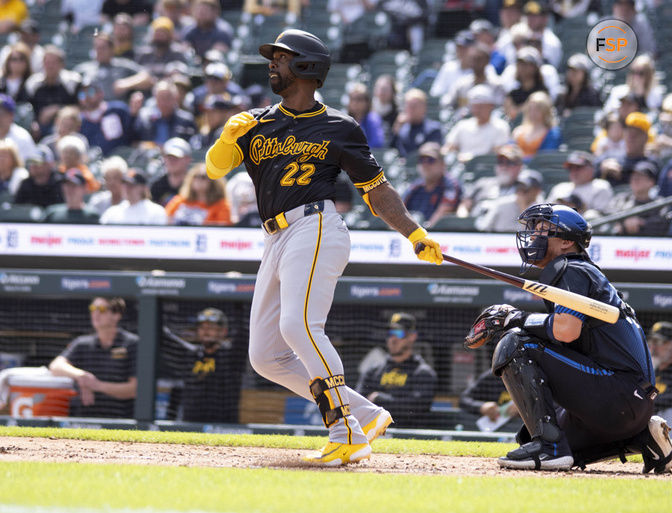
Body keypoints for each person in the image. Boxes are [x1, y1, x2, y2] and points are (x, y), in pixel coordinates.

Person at [205, 28, 444, 465]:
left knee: (299, 326)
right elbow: (214, 170)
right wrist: (225, 138)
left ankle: (345, 430)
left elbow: (377, 189)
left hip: (314, 226)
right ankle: (365, 414)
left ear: (306, 67)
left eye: (281, 57)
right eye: (273, 57)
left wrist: (414, 232)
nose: (272, 63)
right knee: (265, 355)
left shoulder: (339, 126)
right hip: (275, 237)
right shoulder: (256, 122)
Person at [463, 203, 672, 472]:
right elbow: (566, 339)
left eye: (543, 230)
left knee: (515, 342)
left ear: (565, 241)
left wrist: (515, 318)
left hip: (617, 392)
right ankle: (643, 439)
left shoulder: (570, 268)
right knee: (529, 438)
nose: (534, 236)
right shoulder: (581, 271)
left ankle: (549, 449)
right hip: (628, 405)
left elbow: (566, 330)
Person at [49, 297, 137, 418]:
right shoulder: (83, 343)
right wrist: (81, 376)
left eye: (101, 309)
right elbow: (55, 366)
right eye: (93, 308)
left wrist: (97, 385)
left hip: (122, 420)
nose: (95, 313)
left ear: (116, 315)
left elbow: (135, 389)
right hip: (84, 419)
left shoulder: (132, 343)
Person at [159, 307, 248, 422]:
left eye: (211, 327)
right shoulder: (190, 354)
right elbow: (164, 337)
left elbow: (243, 331)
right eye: (202, 327)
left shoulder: (233, 355)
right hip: (190, 424)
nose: (206, 331)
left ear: (223, 331)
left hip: (224, 426)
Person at [355, 313, 436, 427]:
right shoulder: (373, 371)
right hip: (374, 435)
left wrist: (379, 399)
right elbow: (358, 404)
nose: (393, 339)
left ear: (412, 336)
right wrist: (399, 403)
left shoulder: (423, 373)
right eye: (390, 333)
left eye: (399, 333)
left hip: (408, 436)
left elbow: (416, 409)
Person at [402, 142, 461, 229]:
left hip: (439, 234)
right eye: (421, 160)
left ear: (442, 164)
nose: (425, 165)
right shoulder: (415, 187)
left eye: (430, 160)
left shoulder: (450, 184)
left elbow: (443, 212)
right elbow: (400, 211)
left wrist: (423, 233)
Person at [443, 84, 510, 160]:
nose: (477, 110)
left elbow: (497, 153)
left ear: (491, 106)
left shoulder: (501, 126)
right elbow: (449, 147)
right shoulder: (462, 125)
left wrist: (472, 158)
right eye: (474, 106)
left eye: (481, 107)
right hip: (461, 168)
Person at [457, 143, 523, 218]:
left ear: (519, 167)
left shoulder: (525, 190)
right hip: (476, 226)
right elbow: (464, 206)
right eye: (500, 162)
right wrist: (463, 220)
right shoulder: (483, 183)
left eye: (509, 163)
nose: (504, 167)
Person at [603, 160, 669, 236]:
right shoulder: (621, 199)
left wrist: (642, 223)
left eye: (640, 176)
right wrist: (625, 222)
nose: (635, 179)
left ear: (651, 182)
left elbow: (663, 223)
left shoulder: (659, 204)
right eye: (633, 176)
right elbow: (607, 215)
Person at [77, 78, 135, 157]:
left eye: (90, 92)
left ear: (101, 93)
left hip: (122, 158)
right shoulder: (79, 120)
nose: (86, 97)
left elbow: (133, 134)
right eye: (82, 95)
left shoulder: (118, 110)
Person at [546, 151, 613, 216]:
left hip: (588, 225)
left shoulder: (600, 186)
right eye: (571, 168)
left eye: (578, 168)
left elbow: (601, 217)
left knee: (591, 215)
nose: (574, 172)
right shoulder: (560, 188)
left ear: (591, 169)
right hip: (557, 224)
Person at [476, 168, 543, 232]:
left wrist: (523, 209)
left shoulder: (542, 210)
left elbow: (531, 236)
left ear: (537, 191)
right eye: (519, 188)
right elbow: (484, 229)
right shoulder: (502, 204)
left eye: (525, 189)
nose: (520, 192)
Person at [165, 163, 231, 226]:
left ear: (214, 181)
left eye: (203, 177)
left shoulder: (221, 205)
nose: (198, 180)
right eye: (195, 176)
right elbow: (166, 219)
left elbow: (223, 227)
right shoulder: (180, 200)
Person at [459, 367, 520, 432]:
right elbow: (463, 399)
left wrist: (523, 408)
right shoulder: (491, 376)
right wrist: (481, 407)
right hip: (491, 429)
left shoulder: (527, 375)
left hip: (521, 430)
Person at [100, 168, 167, 225]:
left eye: (131, 185)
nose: (126, 188)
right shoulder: (112, 212)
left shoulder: (156, 211)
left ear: (143, 187)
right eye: (124, 184)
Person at [391, 88, 443, 157]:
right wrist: (396, 130)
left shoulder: (433, 129)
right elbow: (393, 152)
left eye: (414, 106)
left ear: (424, 107)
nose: (411, 109)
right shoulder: (402, 130)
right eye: (408, 106)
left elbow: (433, 154)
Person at [345, 82, 384, 149]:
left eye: (359, 99)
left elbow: (377, 143)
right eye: (352, 99)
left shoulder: (373, 119)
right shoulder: (344, 119)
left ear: (366, 102)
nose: (355, 103)